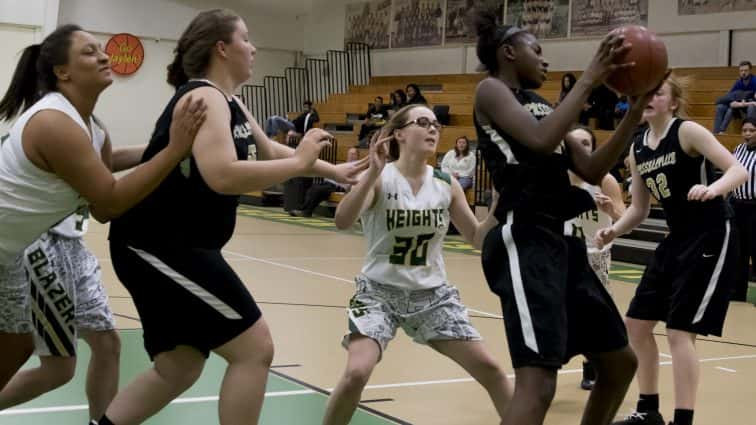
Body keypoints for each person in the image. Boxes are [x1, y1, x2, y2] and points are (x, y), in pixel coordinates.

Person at [100, 9, 366, 425]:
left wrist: (333, 171)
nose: (254, 47)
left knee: (180, 366)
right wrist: (299, 162)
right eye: (246, 38)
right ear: (221, 48)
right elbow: (222, 175)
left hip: (173, 246)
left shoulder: (229, 101)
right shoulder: (202, 97)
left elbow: (269, 152)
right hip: (158, 245)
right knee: (255, 349)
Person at [471, 9, 661, 425]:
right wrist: (591, 77)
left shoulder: (541, 104)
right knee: (539, 385)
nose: (544, 60)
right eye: (535, 51)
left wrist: (635, 110)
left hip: (562, 241)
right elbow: (540, 141)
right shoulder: (491, 91)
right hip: (523, 237)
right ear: (507, 53)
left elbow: (592, 170)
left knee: (619, 363)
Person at [0, 24, 204, 391]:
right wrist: (174, 149)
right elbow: (107, 203)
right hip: (11, 250)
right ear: (62, 72)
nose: (104, 55)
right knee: (46, 359)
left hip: (8, 256)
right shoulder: (53, 121)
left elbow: (102, 171)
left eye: (101, 49)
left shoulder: (91, 127)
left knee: (18, 344)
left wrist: (167, 145)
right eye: (89, 52)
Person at [323, 104, 512, 425]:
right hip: (379, 295)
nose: (433, 129)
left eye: (436, 124)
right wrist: (370, 174)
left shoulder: (446, 183)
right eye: (422, 123)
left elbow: (477, 238)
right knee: (357, 372)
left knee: (492, 370)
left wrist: (497, 204)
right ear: (399, 134)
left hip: (432, 297)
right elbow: (343, 220)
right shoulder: (381, 178)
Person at [596, 75, 748, 425]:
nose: (648, 98)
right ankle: (648, 411)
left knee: (679, 331)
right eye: (644, 93)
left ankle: (683, 420)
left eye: (657, 93)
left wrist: (714, 189)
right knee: (635, 323)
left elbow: (737, 169)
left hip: (711, 232)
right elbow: (638, 209)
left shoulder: (687, 131)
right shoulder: (639, 147)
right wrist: (613, 231)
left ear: (673, 102)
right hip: (677, 237)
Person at [0, 139, 144, 424]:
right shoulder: (45, 121)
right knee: (59, 370)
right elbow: (101, 194)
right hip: (40, 243)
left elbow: (104, 164)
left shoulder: (91, 124)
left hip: (74, 246)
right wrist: (168, 152)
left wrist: (161, 147)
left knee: (107, 344)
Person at [563, 125, 627, 392]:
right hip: (564, 253)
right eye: (575, 143)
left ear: (593, 148)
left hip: (595, 257)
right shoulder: (554, 179)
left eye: (586, 143)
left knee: (594, 315)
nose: (580, 148)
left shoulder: (605, 179)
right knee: (559, 310)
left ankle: (592, 364)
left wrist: (611, 210)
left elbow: (624, 218)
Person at [290, 147, 360, 217]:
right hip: (328, 183)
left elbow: (356, 181)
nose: (351, 156)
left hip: (337, 187)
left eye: (353, 154)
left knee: (317, 190)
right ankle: (303, 210)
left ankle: (306, 212)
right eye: (350, 154)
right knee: (312, 188)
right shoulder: (344, 165)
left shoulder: (358, 167)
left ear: (357, 156)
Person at [731, 117, 756, 301]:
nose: (747, 134)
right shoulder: (738, 150)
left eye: (751, 130)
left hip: (755, 206)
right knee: (738, 250)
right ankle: (737, 291)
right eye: (744, 130)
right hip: (737, 205)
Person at [713, 61, 756, 134]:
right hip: (738, 105)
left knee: (751, 107)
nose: (743, 73)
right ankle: (716, 134)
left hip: (749, 105)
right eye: (741, 71)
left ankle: (750, 130)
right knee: (720, 107)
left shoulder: (754, 81)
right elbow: (730, 96)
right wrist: (734, 102)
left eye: (746, 70)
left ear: (750, 71)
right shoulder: (738, 82)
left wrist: (744, 104)